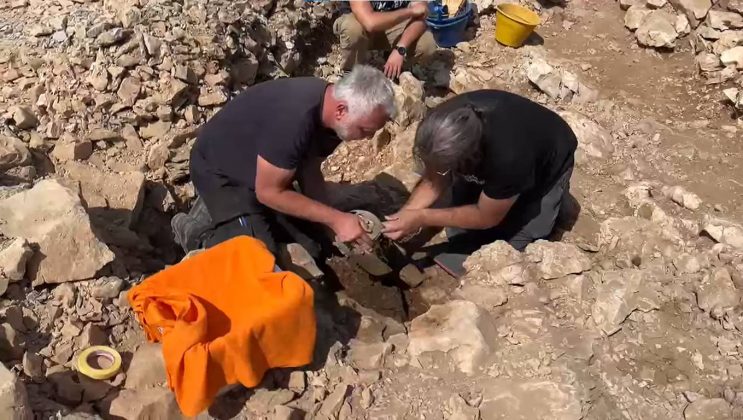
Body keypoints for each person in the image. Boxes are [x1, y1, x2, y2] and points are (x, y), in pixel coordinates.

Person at [172, 65, 396, 259]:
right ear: (341, 110)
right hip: (221, 171)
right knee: (259, 256)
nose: (368, 137)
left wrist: (329, 221)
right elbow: (268, 193)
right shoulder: (294, 120)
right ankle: (196, 234)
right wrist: (337, 219)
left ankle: (230, 214)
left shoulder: (333, 116)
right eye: (366, 130)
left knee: (313, 246)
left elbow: (310, 169)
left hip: (265, 169)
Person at [382, 90, 578, 277]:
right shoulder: (440, 126)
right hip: (503, 154)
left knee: (517, 238)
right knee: (460, 227)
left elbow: (486, 217)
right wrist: (407, 213)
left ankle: (555, 199)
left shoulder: (509, 158)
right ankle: (497, 194)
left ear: (470, 155)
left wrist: (422, 217)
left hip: (550, 158)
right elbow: (435, 176)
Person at [333, 1, 437, 79]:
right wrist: (410, 11)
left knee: (426, 44)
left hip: (393, 26)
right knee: (352, 28)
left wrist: (400, 48)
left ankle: (394, 67)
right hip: (361, 24)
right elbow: (370, 23)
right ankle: (351, 72)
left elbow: (421, 18)